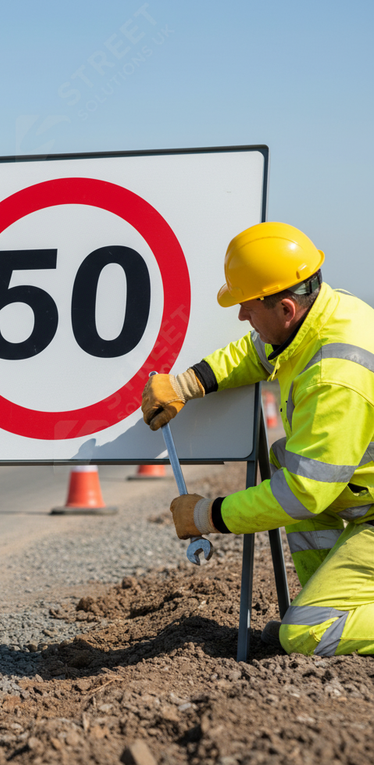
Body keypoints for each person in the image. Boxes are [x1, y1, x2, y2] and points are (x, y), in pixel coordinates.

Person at [142, 221, 374, 656]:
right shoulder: (318, 318)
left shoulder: (335, 377)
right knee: (290, 457)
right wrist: (187, 384)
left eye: (249, 307)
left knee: (306, 634)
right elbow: (254, 352)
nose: (242, 316)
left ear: (286, 308)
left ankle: (322, 616)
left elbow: (305, 495)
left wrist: (207, 515)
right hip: (364, 498)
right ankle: (326, 602)